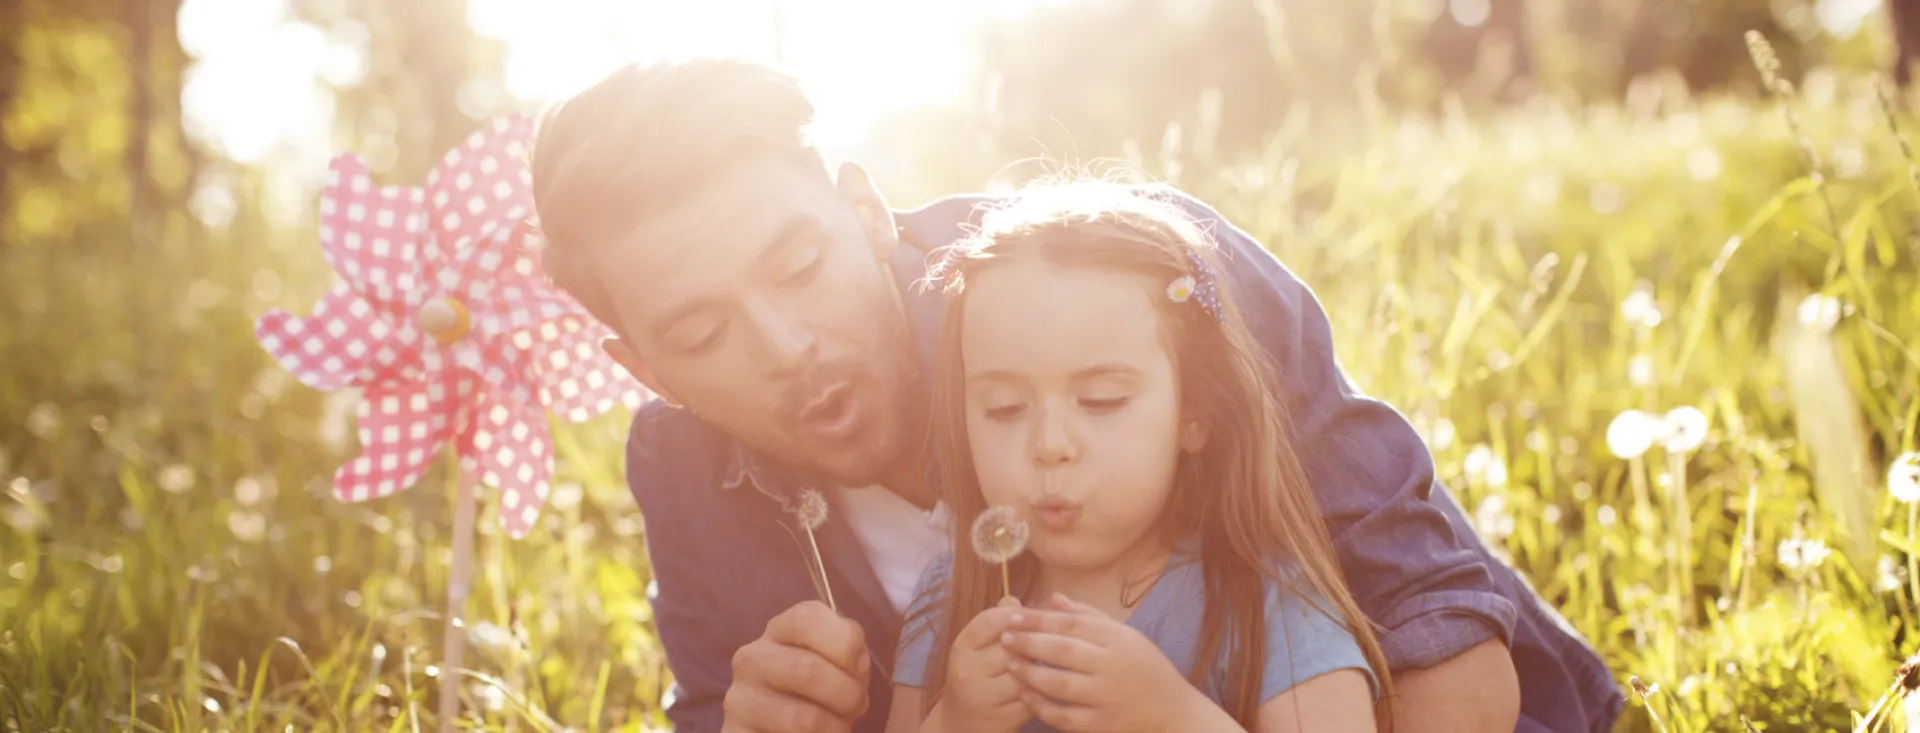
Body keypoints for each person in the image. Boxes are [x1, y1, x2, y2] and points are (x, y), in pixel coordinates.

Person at [528, 58, 1622, 733]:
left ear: (863, 208)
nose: (786, 344)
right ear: (645, 369)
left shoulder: (1129, 275)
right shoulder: (681, 467)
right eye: (703, 332)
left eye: (799, 264)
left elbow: (1434, 621)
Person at [886, 183, 1389, 733]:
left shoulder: (1267, 604)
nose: (1051, 444)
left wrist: (1173, 718)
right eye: (1005, 408)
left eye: (1101, 401)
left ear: (1192, 412)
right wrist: (954, 722)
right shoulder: (951, 603)